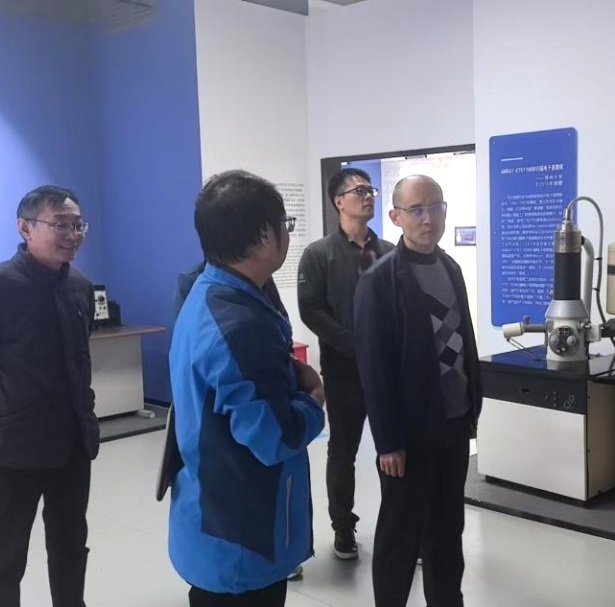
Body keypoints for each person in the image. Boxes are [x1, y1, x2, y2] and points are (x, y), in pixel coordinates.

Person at [168, 170, 325, 606]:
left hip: (213, 513)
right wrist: (313, 400)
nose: (286, 234)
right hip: (241, 535)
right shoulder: (239, 324)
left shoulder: (211, 290)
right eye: (284, 224)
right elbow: (274, 439)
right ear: (263, 236)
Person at [354, 175, 482, 607]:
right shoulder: (380, 280)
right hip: (408, 435)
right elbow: (374, 369)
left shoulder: (450, 268)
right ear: (395, 217)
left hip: (453, 425)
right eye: (416, 210)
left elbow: (463, 342)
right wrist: (388, 441)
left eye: (436, 207)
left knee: (447, 530)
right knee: (400, 535)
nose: (428, 219)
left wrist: (471, 409)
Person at [0, 186, 98, 607]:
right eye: (60, 225)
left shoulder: (79, 285)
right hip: (14, 449)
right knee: (6, 557)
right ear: (24, 228)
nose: (72, 235)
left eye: (78, 225)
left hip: (73, 445)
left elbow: (80, 361)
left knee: (70, 546)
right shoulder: (4, 286)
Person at [297, 168, 394, 559]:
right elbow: (311, 310)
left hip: (387, 370)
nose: (369, 196)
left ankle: (399, 526)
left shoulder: (389, 252)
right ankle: (343, 526)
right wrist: (356, 346)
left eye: (371, 190)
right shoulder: (319, 254)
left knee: (394, 447)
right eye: (360, 190)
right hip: (344, 369)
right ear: (339, 201)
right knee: (343, 450)